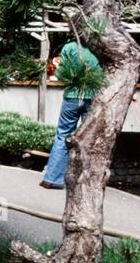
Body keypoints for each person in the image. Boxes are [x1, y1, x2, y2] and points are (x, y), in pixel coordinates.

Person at [39, 40, 101, 189]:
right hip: (92, 97)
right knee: (89, 138)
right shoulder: (98, 47)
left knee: (63, 135)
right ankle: (87, 182)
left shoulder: (69, 47)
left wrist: (58, 65)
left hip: (72, 97)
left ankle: (52, 179)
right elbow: (102, 74)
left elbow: (62, 76)